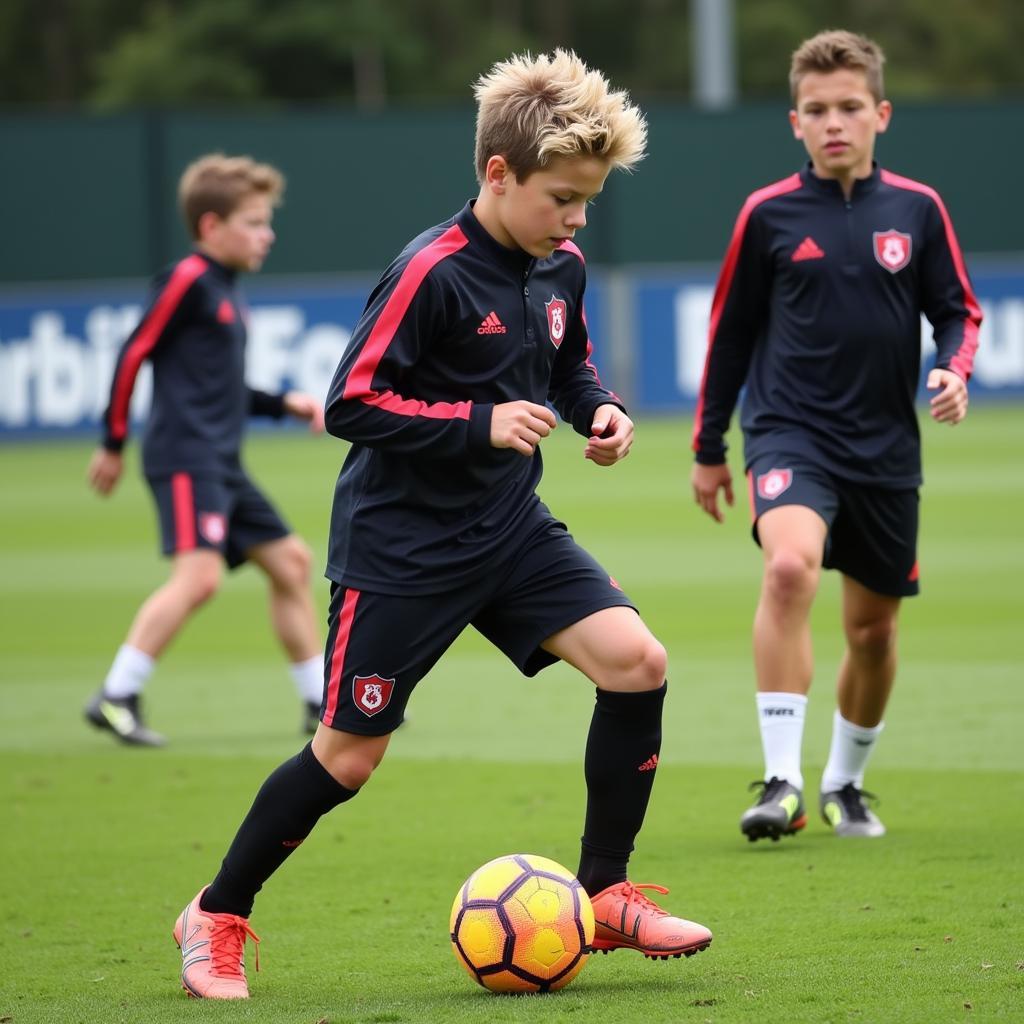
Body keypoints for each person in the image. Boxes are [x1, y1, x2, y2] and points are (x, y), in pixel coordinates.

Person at [171, 50, 712, 1000]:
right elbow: (350, 402)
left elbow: (566, 368)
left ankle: (605, 891)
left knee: (639, 663)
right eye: (563, 197)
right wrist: (480, 422)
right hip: (401, 548)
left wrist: (601, 411)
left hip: (508, 531)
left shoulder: (562, 267)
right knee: (349, 756)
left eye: (587, 200)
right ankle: (216, 912)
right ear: (498, 174)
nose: (577, 218)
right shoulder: (431, 271)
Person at [691, 29, 981, 842]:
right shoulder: (767, 214)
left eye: (850, 107)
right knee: (788, 569)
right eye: (816, 110)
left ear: (880, 113)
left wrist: (955, 368)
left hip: (886, 450)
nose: (834, 123)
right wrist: (709, 448)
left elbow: (958, 308)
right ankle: (780, 780)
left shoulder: (918, 211)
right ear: (795, 121)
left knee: (874, 632)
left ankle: (844, 783)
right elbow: (731, 334)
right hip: (790, 435)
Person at [86, 153, 327, 747]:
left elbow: (223, 389)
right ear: (211, 226)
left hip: (220, 462)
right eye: (253, 221)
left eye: (266, 221)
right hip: (186, 456)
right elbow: (133, 352)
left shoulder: (223, 291)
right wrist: (112, 442)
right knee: (199, 580)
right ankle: (117, 694)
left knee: (290, 563)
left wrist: (282, 404)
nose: (266, 233)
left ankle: (320, 703)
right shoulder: (189, 279)